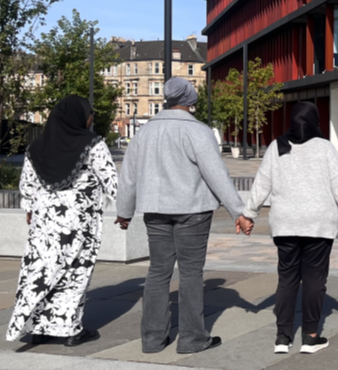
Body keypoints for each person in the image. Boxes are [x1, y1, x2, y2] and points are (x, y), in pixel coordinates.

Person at [116, 78, 253, 354]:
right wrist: (239, 211)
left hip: (155, 210)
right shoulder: (197, 131)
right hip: (193, 210)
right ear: (191, 101)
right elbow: (216, 174)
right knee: (191, 273)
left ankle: (152, 339)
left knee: (157, 271)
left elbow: (128, 174)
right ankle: (192, 339)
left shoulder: (144, 132)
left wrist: (124, 211)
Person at [243, 102, 338, 355]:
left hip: (285, 224)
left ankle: (283, 337)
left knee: (286, 279)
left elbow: (261, 183)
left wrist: (248, 213)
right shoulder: (325, 148)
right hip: (318, 224)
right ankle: (310, 337)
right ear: (314, 121)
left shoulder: (278, 146)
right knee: (314, 280)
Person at [6, 96, 117, 347]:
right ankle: (68, 330)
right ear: (77, 117)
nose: (91, 120)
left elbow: (28, 185)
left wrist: (30, 209)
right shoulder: (93, 144)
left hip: (44, 222)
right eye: (90, 114)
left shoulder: (37, 147)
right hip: (80, 221)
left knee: (42, 271)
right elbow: (112, 182)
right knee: (74, 272)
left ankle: (39, 328)